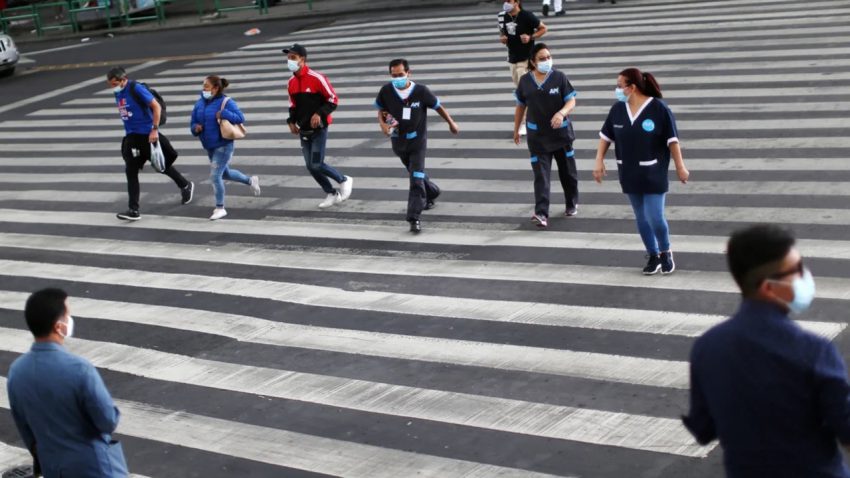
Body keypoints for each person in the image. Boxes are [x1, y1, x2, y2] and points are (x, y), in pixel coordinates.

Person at [683, 224, 850, 477]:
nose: (805, 276)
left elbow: (703, 428)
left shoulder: (707, 347)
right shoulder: (814, 351)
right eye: (797, 270)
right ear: (769, 287)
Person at [7, 288, 129, 477]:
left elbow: (26, 431)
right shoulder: (79, 368)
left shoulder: (17, 371)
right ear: (59, 327)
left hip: (53, 468)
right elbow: (107, 421)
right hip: (93, 467)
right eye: (68, 315)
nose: (70, 320)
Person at [593, 67, 689, 274]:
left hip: (653, 172)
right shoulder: (618, 109)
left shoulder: (659, 109)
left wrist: (680, 166)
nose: (617, 90)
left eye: (620, 86)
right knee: (641, 217)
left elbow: (672, 141)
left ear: (632, 87)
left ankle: (665, 251)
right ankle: (653, 255)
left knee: (655, 216)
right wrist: (599, 160)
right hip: (628, 171)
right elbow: (606, 136)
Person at [375, 58, 459, 234]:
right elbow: (381, 110)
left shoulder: (421, 91)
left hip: (417, 142)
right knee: (414, 173)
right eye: (394, 75)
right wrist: (382, 124)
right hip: (398, 142)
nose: (397, 78)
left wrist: (451, 123)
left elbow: (438, 106)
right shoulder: (386, 91)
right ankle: (432, 192)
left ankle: (414, 217)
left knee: (415, 179)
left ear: (408, 73)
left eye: (401, 74)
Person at [107, 67, 194, 222]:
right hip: (131, 137)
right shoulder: (118, 93)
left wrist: (154, 129)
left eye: (114, 83)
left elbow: (156, 106)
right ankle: (134, 210)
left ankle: (185, 185)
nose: (113, 87)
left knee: (161, 165)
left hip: (147, 135)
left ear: (123, 80)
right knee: (130, 172)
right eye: (110, 84)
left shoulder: (136, 88)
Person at [513, 43, 578, 229]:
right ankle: (541, 213)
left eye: (549, 57)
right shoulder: (525, 81)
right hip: (538, 138)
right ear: (533, 62)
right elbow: (520, 106)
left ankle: (571, 202)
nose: (547, 61)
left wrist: (561, 113)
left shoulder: (559, 77)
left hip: (561, 135)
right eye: (542, 59)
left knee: (568, 173)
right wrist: (516, 129)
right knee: (541, 176)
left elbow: (571, 101)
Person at [284, 43, 353, 209]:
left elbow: (333, 99)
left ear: (302, 59)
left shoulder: (317, 78)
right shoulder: (291, 82)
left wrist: (319, 113)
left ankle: (343, 179)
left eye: (293, 57)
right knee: (310, 166)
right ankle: (331, 193)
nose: (289, 60)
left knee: (316, 163)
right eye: (288, 57)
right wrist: (291, 121)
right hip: (303, 130)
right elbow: (293, 105)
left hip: (319, 129)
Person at [190, 75, 261, 221]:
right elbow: (193, 122)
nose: (204, 89)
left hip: (223, 145)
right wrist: (195, 128)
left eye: (206, 86)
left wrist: (224, 114)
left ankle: (220, 208)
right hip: (209, 145)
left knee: (215, 176)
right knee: (225, 173)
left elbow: (240, 118)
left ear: (216, 88)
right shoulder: (199, 104)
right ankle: (250, 181)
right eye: (203, 86)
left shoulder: (226, 102)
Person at [498, 0, 547, 136]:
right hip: (512, 59)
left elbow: (543, 28)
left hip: (525, 60)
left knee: (523, 93)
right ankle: (541, 112)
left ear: (516, 2)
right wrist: (502, 38)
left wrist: (531, 37)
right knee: (523, 91)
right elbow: (502, 33)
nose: (506, 3)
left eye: (509, 1)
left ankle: (525, 123)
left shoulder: (527, 16)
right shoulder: (502, 16)